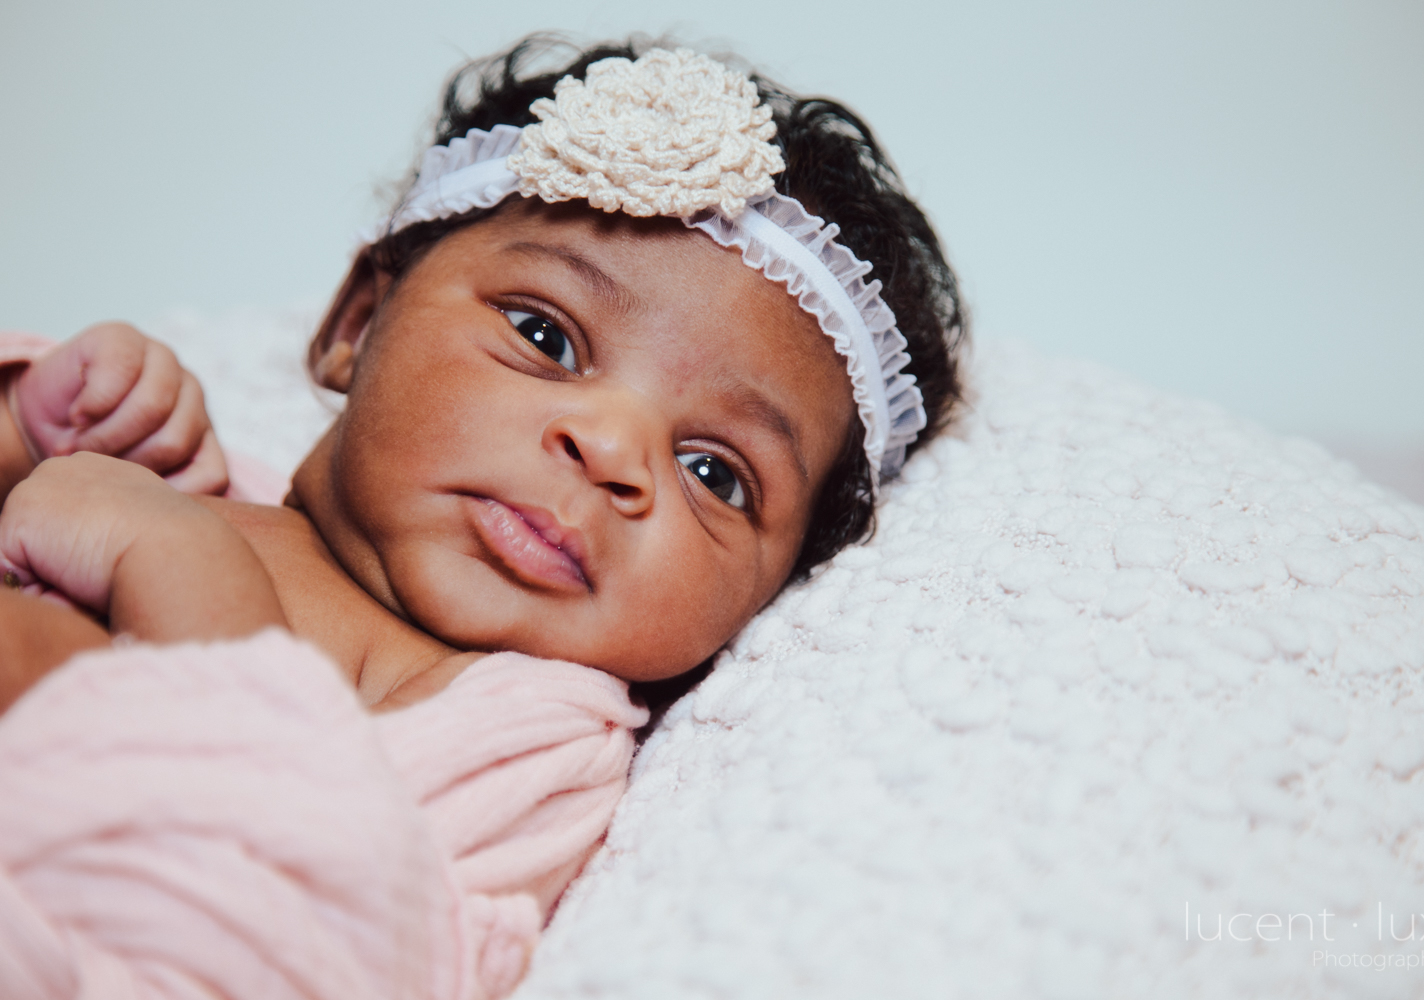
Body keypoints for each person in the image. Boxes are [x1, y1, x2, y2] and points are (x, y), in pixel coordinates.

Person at [0, 38, 967, 998]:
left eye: (716, 473)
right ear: (356, 327)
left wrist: (173, 565)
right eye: (545, 336)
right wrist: (34, 421)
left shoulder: (533, 734)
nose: (612, 452)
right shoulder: (185, 473)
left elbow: (323, 919)